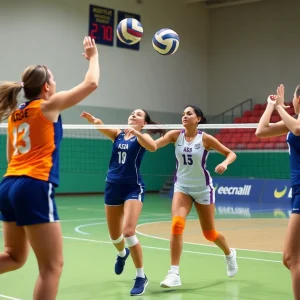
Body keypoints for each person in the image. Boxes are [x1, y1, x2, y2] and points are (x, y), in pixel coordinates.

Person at [0, 36, 99, 300]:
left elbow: (11, 156)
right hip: (33, 185)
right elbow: (91, 83)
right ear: (46, 87)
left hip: (8, 184)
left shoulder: (15, 115)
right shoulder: (48, 106)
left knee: (14, 256)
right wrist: (93, 57)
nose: (56, 84)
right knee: (51, 267)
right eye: (54, 80)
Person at [80, 109, 164, 296]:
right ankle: (121, 254)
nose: (133, 115)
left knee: (128, 231)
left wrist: (137, 133)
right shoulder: (118, 134)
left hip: (133, 188)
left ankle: (141, 276)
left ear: (144, 123)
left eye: (138, 115)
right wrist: (94, 120)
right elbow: (101, 126)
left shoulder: (142, 138)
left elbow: (153, 147)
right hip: (112, 187)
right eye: (132, 113)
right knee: (115, 237)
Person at [153, 105, 238, 288]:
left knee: (209, 234)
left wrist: (225, 163)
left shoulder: (205, 139)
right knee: (177, 225)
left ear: (198, 119)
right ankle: (174, 273)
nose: (184, 116)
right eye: (183, 113)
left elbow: (231, 154)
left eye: (189, 114)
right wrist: (138, 135)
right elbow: (153, 146)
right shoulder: (175, 136)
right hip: (182, 187)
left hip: (203, 190)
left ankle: (229, 254)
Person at [255, 84, 300, 300]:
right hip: (297, 191)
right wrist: (271, 106)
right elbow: (261, 131)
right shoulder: (293, 122)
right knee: (291, 258)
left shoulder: (296, 124)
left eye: (293, 97)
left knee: (291, 258)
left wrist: (281, 107)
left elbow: (298, 130)